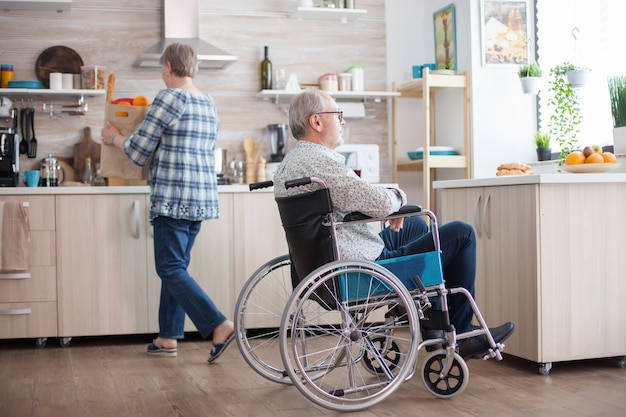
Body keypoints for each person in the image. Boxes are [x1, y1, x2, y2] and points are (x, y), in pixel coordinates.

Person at [272, 88, 514, 359]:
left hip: (329, 261)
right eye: (338, 114)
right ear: (316, 122)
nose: (342, 121)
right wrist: (396, 198)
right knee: (462, 233)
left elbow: (364, 198)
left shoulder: (291, 163)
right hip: (361, 270)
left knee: (414, 226)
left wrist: (388, 204)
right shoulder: (323, 163)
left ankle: (429, 327)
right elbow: (380, 203)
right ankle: (459, 332)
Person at [101, 43, 234, 363]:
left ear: (170, 67)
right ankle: (168, 336)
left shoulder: (169, 98)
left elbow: (139, 149)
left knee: (170, 267)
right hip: (200, 199)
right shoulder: (208, 102)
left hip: (173, 198)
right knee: (176, 268)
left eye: (163, 69)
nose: (163, 74)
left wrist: (113, 138)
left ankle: (218, 324)